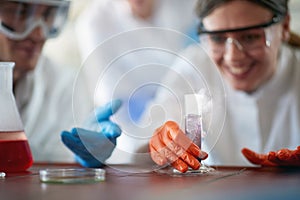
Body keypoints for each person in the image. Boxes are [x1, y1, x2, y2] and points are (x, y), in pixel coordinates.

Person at [147, 0, 300, 173]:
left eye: (250, 37)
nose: (232, 56)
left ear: (285, 26)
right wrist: (161, 143)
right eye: (217, 38)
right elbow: (153, 137)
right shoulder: (193, 67)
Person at [0, 0, 121, 167]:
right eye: (19, 13)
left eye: (47, 15)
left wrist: (83, 158)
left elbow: (60, 168)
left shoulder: (62, 86)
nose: (38, 34)